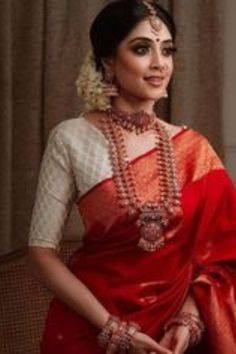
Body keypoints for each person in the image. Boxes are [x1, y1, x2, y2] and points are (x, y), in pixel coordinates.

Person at [28, 1, 236, 353]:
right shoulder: (71, 138)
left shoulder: (194, 149)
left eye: (167, 50)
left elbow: (226, 254)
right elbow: (41, 254)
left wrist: (189, 319)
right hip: (93, 327)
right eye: (142, 49)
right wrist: (114, 330)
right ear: (108, 61)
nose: (159, 64)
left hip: (178, 332)